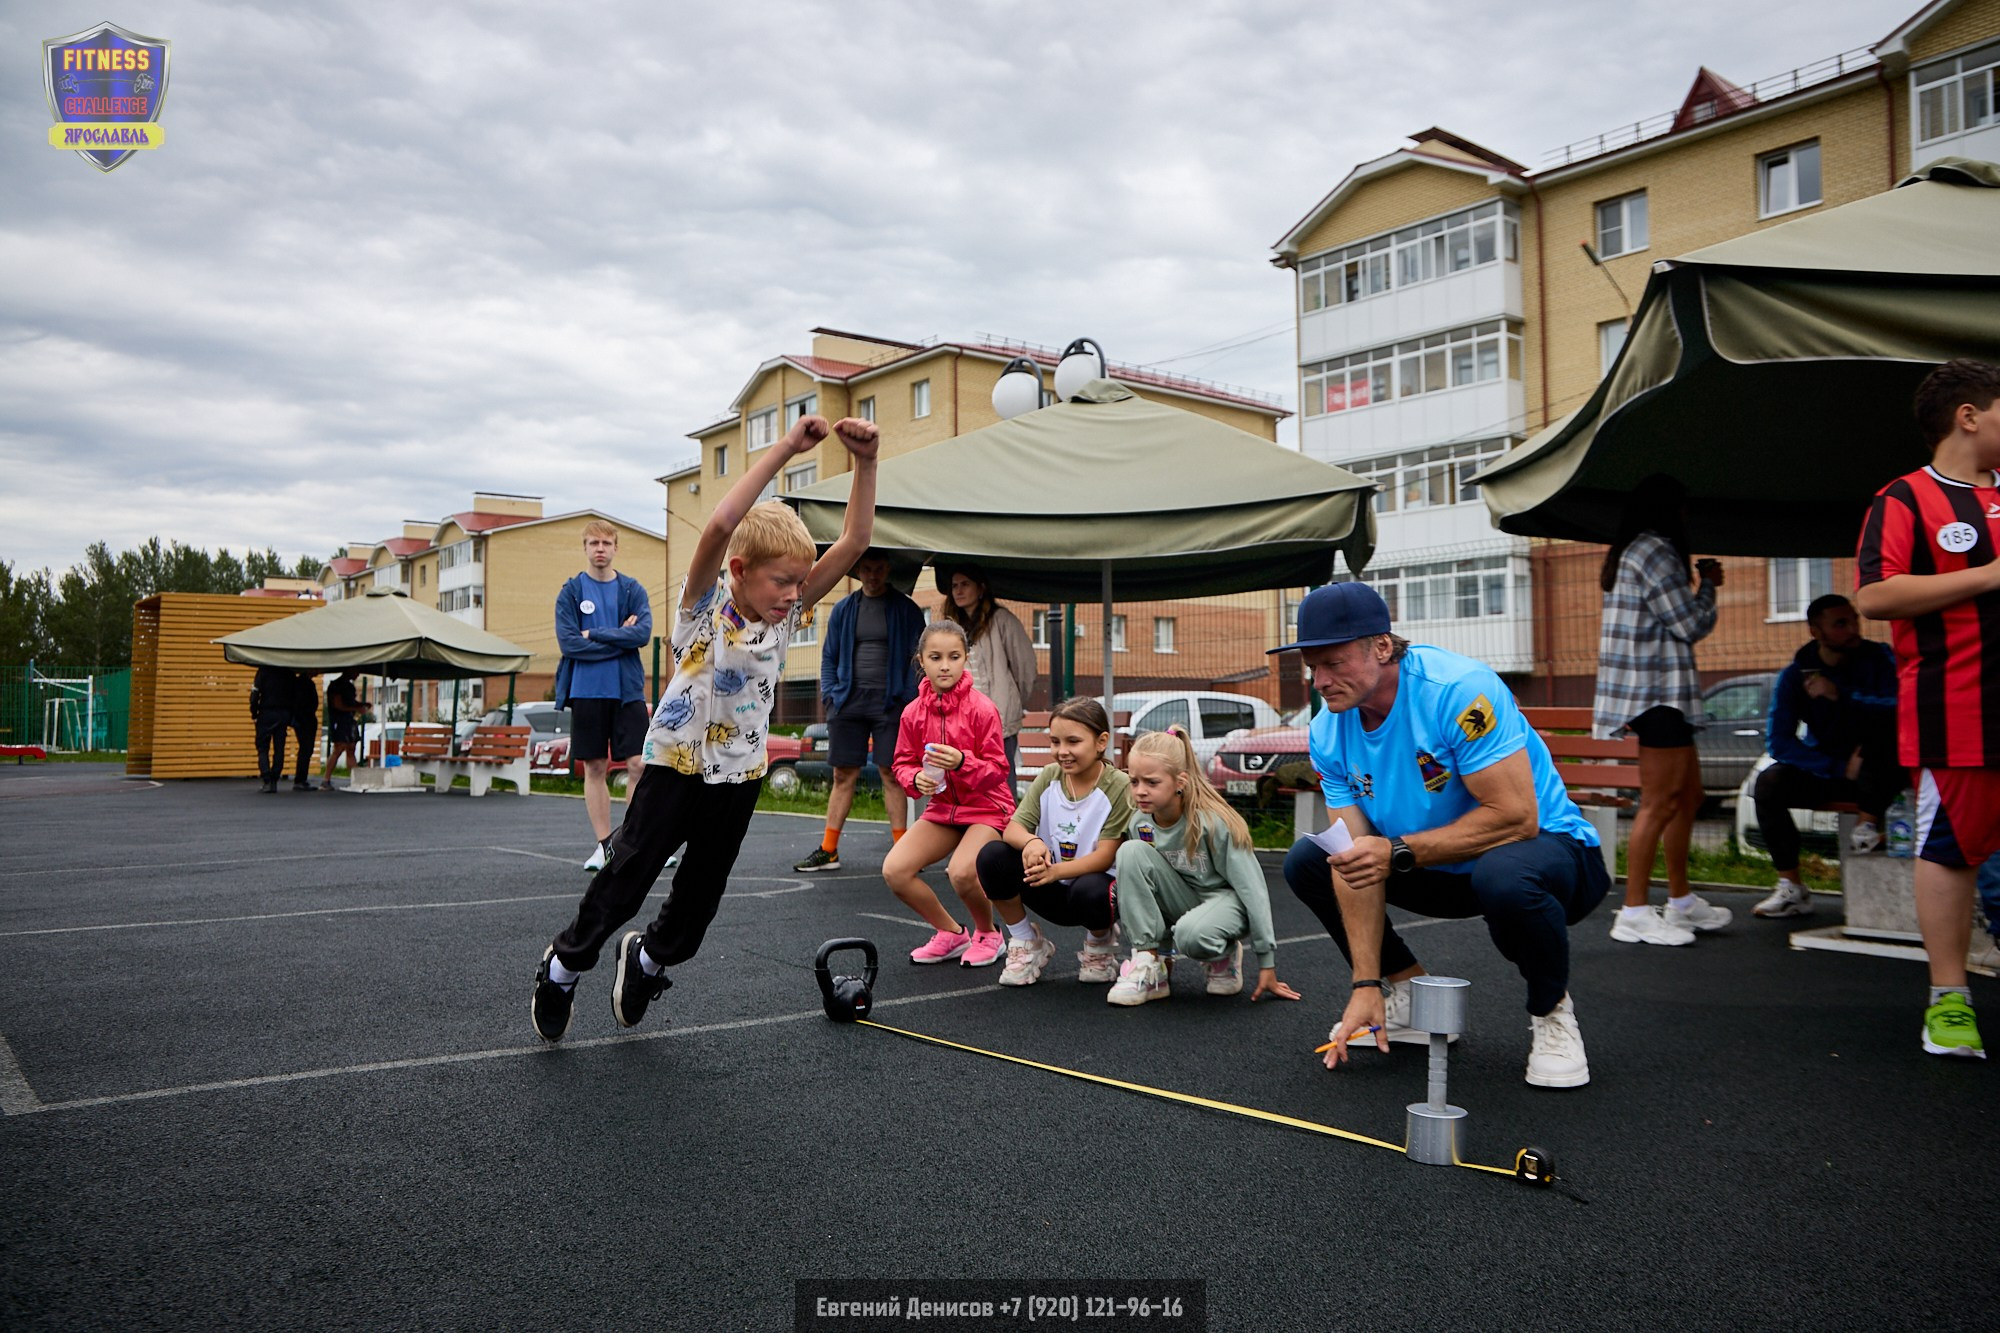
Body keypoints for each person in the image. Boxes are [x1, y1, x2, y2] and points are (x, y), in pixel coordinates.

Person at [530, 412, 880, 1042]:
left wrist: (867, 462)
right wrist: (786, 448)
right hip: (674, 766)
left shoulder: (785, 616)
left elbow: (854, 541)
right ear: (740, 570)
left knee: (701, 898)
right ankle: (562, 967)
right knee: (628, 876)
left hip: (738, 773)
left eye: (799, 582)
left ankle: (647, 962)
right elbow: (721, 524)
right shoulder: (702, 609)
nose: (793, 593)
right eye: (781, 580)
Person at [1279, 582, 1608, 1088]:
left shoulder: (1458, 691)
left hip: (1552, 856)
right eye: (1311, 666)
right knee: (1311, 860)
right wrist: (1366, 981)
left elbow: (1516, 817)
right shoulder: (1329, 729)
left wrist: (1397, 851)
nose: (1319, 680)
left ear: (1382, 646)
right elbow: (1353, 855)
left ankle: (1552, 1012)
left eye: (1334, 663)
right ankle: (1410, 995)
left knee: (1505, 874)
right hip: (1435, 866)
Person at [1853, 358, 2000, 1060]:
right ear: (1968, 416)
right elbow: (1874, 596)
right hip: (1956, 713)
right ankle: (1949, 999)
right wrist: (1990, 575)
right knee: (1949, 851)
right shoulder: (1906, 498)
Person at [1594, 473, 1730, 947]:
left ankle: (1681, 901)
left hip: (1661, 692)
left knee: (1687, 797)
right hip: (1656, 694)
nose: (1688, 515)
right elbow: (1689, 623)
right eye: (1683, 506)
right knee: (1658, 804)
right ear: (1670, 511)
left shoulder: (1636, 549)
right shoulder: (1654, 551)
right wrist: (1709, 586)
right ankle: (1632, 909)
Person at [1107, 727, 1298, 1007]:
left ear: (1179, 781)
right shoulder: (1140, 822)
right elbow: (1149, 892)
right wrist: (1161, 952)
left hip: (1228, 904)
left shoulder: (1214, 823)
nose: (1140, 791)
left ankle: (1224, 957)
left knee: (1190, 935)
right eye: (1134, 781)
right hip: (1187, 899)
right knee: (1130, 852)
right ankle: (1149, 966)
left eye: (1151, 782)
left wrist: (1266, 963)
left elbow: (1253, 890)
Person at [1750, 594, 1900, 919]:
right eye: (1840, 624)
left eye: (1854, 620)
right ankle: (1792, 888)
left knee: (1881, 742)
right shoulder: (1796, 675)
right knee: (1769, 783)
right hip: (1835, 772)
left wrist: (1839, 695)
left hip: (1883, 768)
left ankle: (1867, 828)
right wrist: (1835, 766)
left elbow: (1899, 707)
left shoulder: (1879, 658)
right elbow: (1779, 741)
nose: (1852, 629)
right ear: (1816, 632)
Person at [975, 697, 1134, 986]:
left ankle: (1100, 942)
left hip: (1096, 890)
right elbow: (1013, 829)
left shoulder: (1118, 786)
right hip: (1050, 884)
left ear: (1101, 742)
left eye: (1073, 742)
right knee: (992, 856)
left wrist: (1054, 872)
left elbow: (1105, 857)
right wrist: (1033, 842)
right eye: (1055, 742)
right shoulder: (1050, 776)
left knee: (1091, 889)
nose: (1062, 752)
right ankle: (1026, 941)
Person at [882, 620, 1014, 967]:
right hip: (944, 809)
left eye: (954, 657)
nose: (945, 665)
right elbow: (902, 763)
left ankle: (989, 934)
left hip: (987, 808)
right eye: (936, 657)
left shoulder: (982, 708)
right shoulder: (913, 712)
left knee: (961, 872)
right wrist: (915, 780)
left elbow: (999, 770)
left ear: (965, 658)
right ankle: (952, 934)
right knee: (895, 870)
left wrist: (961, 762)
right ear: (920, 661)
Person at [794, 550, 925, 872]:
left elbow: (918, 658)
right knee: (843, 774)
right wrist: (831, 699)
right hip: (848, 702)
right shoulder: (843, 609)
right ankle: (829, 850)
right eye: (867, 569)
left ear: (887, 569)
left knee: (892, 774)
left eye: (879, 568)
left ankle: (902, 850)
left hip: (891, 703)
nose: (873, 575)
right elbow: (828, 657)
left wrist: (909, 701)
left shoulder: (906, 610)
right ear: (857, 572)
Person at [553, 520, 654, 871]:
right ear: (585, 547)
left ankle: (632, 840)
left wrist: (594, 634)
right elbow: (569, 644)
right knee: (594, 766)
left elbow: (642, 634)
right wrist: (617, 640)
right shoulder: (570, 592)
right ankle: (604, 846)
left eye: (606, 543)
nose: (600, 548)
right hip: (587, 691)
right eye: (593, 542)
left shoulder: (632, 589)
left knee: (639, 764)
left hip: (627, 691)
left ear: (615, 548)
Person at [938, 563, 1037, 784]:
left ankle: (1005, 819)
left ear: (981, 588)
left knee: (1001, 779)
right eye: (954, 586)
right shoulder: (951, 626)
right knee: (966, 777)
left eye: (965, 584)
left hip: (999, 717)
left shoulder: (1001, 620)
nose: (959, 591)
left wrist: (1013, 700)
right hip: (963, 718)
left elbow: (1025, 666)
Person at [319, 669, 367, 790]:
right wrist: (356, 708)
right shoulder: (336, 685)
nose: (358, 674)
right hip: (339, 721)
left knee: (351, 749)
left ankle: (356, 780)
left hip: (349, 721)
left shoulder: (350, 687)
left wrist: (361, 704)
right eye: (356, 671)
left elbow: (350, 702)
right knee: (339, 748)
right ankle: (326, 780)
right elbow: (338, 705)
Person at [250, 663, 292, 794]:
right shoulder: (288, 672)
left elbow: (254, 695)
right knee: (279, 748)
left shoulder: (263, 672)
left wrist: (254, 713)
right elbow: (293, 695)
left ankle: (266, 779)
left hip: (266, 713)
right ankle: (275, 778)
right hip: (283, 713)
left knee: (263, 748)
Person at [287, 671, 320, 792]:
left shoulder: (297, 683)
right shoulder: (306, 684)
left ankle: (301, 779)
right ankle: (300, 779)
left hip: (301, 719)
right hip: (306, 719)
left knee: (305, 749)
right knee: (306, 749)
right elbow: (311, 703)